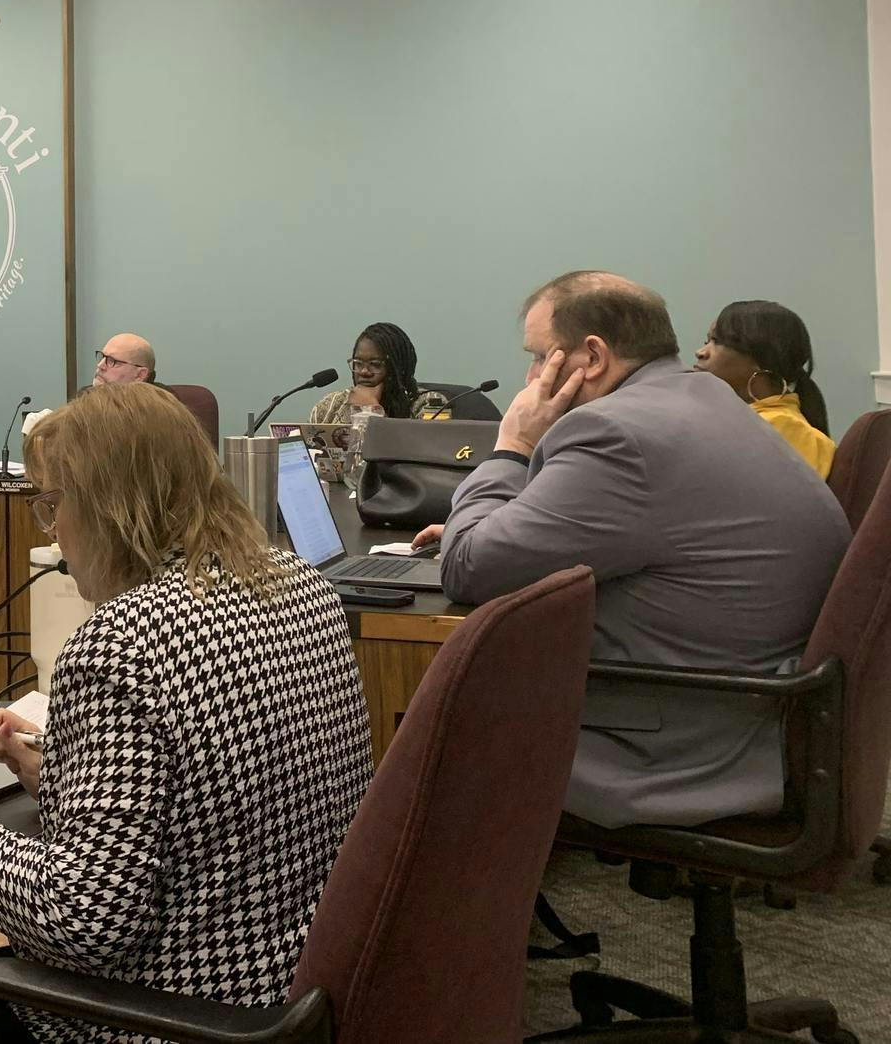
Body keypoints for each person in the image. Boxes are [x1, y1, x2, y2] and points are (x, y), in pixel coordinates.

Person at [0, 383, 371, 1043]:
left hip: (167, 1017)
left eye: (52, 505)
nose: (52, 534)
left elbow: (87, 920)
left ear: (109, 506)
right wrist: (69, 778)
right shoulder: (302, 586)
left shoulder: (118, 645)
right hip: (289, 999)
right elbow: (230, 791)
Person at [427, 272, 849, 828]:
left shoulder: (616, 433)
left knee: (418, 711)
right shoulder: (703, 400)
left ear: (592, 357)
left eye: (537, 357)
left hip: (674, 743)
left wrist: (513, 447)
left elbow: (467, 568)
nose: (528, 378)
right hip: (758, 712)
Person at [694, 300, 835, 479]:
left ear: (761, 357)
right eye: (706, 341)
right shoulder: (747, 419)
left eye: (717, 341)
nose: (700, 352)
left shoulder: (782, 428)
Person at [306, 322, 448, 479]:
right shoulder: (329, 407)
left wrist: (372, 409)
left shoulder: (429, 405)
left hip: (403, 500)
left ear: (398, 367)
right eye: (358, 364)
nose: (364, 372)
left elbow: (426, 467)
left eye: (375, 365)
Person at [89, 333, 155, 385]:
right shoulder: (82, 398)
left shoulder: (158, 401)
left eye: (112, 361)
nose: (100, 365)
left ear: (140, 375)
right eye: (102, 357)